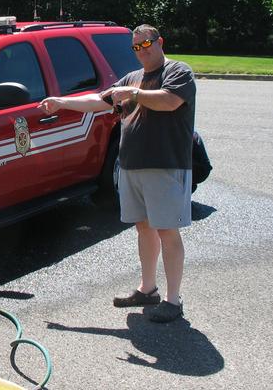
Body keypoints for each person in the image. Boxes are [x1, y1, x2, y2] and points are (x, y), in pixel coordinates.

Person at [39, 24, 196, 323]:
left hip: (165, 165)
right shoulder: (132, 78)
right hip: (132, 165)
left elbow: (169, 101)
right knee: (144, 228)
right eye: (136, 47)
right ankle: (147, 289)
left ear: (160, 41)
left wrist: (133, 93)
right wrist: (61, 102)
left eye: (147, 43)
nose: (142, 50)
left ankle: (173, 301)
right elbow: (99, 101)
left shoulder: (178, 72)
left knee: (167, 231)